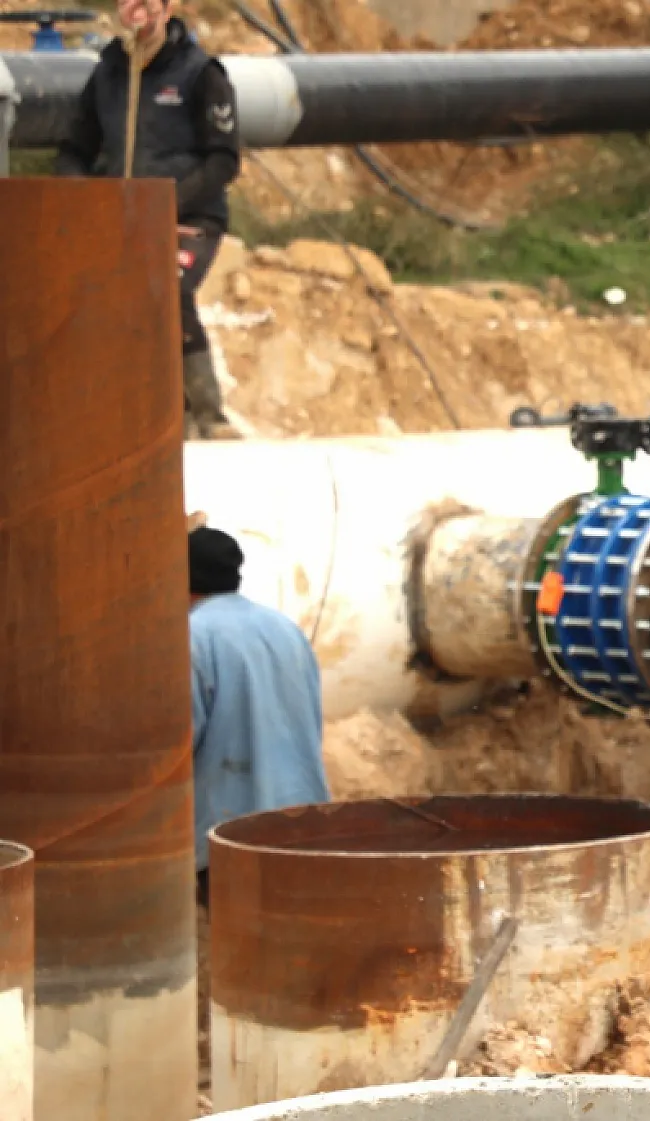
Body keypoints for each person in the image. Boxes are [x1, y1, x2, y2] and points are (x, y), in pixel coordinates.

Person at [56, 0, 242, 440]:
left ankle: (209, 414)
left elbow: (223, 160)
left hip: (189, 218)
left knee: (167, 286)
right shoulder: (107, 73)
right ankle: (154, 416)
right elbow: (72, 151)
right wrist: (89, 204)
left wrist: (164, 207)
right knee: (105, 300)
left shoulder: (201, 74)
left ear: (168, 7)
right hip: (121, 219)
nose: (136, 9)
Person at [188, 524, 329, 906]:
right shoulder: (285, 628)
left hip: (234, 828)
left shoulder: (192, 636)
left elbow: (180, 740)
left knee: (246, 949)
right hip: (305, 820)